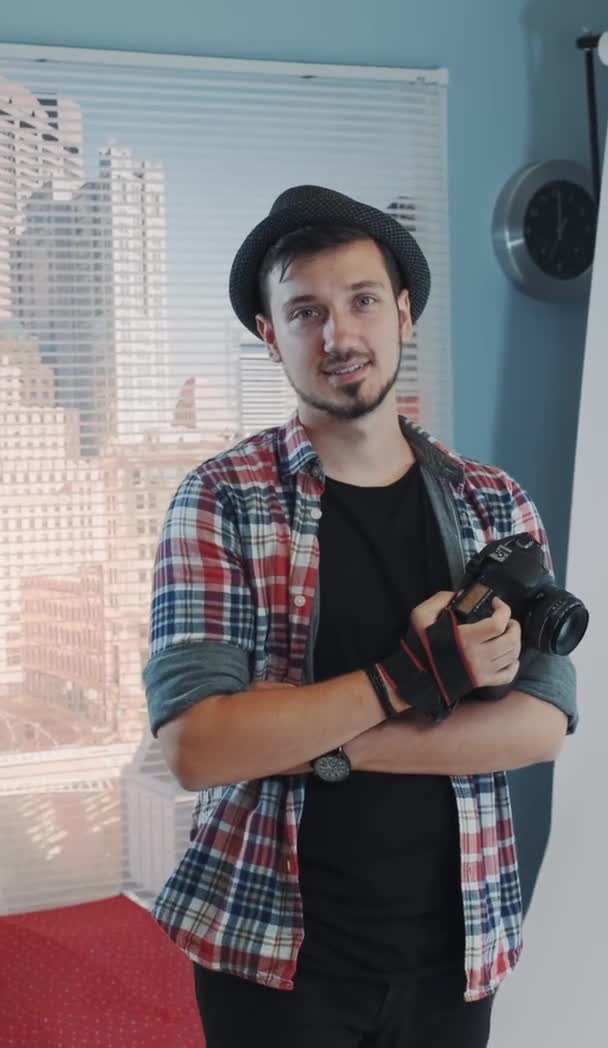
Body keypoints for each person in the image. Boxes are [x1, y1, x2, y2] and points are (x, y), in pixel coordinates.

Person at [143, 185, 577, 1048]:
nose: (338, 335)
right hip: (272, 956)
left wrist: (318, 741)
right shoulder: (222, 500)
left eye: (362, 300)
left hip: (455, 951)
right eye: (305, 311)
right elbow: (198, 747)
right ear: (271, 337)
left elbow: (540, 723)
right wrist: (406, 680)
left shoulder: (494, 503)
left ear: (404, 312)